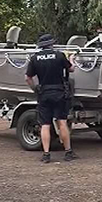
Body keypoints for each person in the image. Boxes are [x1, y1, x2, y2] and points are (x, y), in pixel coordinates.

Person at [25, 33, 77, 163]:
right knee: (62, 122)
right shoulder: (59, 55)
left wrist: (35, 89)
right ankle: (68, 152)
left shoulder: (35, 58)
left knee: (45, 125)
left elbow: (28, 78)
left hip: (44, 93)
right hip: (59, 92)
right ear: (51, 44)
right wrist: (71, 59)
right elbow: (71, 70)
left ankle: (46, 154)